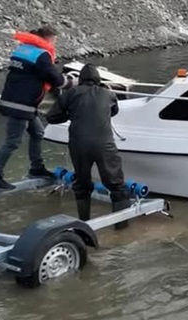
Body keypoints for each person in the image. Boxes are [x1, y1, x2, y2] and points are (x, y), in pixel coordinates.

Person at [0, 26, 75, 191]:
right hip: (21, 105)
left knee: (38, 133)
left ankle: (36, 168)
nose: (55, 44)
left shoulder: (23, 50)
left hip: (17, 100)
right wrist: (72, 83)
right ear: (48, 39)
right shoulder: (41, 55)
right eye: (55, 40)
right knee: (12, 142)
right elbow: (55, 78)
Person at [45, 64, 130, 230]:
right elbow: (114, 112)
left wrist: (70, 114)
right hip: (105, 144)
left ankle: (84, 224)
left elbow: (51, 117)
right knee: (116, 185)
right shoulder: (109, 94)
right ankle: (122, 229)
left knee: (82, 184)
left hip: (79, 144)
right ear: (98, 80)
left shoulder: (70, 94)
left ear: (80, 80)